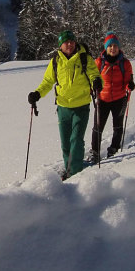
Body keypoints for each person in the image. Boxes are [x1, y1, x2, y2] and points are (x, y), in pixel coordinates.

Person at [27, 30, 102, 179]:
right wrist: (37, 94)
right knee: (65, 143)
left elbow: (94, 74)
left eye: (72, 41)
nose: (69, 44)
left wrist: (97, 82)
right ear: (60, 45)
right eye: (66, 42)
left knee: (76, 140)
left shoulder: (84, 58)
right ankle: (69, 167)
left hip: (81, 106)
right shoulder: (56, 61)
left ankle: (75, 173)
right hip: (63, 107)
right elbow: (48, 82)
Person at [89, 32, 135, 163]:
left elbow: (128, 80)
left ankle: (114, 148)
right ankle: (95, 152)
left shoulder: (125, 63)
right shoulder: (99, 62)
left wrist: (130, 85)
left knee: (118, 127)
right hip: (102, 99)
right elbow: (91, 78)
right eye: (110, 46)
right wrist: (92, 88)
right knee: (98, 127)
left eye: (115, 46)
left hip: (119, 99)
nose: (113, 48)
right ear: (106, 47)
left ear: (119, 47)